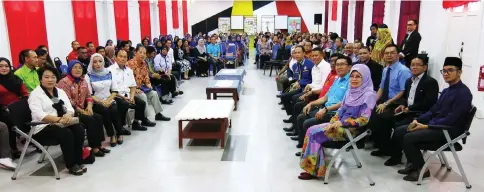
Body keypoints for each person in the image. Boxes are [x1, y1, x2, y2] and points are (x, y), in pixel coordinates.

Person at [388, 57, 472, 181]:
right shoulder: (447, 91)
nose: (446, 73)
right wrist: (418, 120)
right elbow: (434, 110)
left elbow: (452, 119)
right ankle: (413, 164)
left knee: (409, 137)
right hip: (436, 125)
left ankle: (422, 170)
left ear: (459, 72)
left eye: (450, 70)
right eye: (444, 71)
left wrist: (427, 126)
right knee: (401, 131)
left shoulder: (464, 93)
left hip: (447, 130)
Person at [298, 64, 376, 180]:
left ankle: (313, 170)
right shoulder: (350, 91)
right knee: (310, 129)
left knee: (314, 134)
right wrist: (333, 121)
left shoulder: (369, 95)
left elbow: (364, 120)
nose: (354, 79)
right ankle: (312, 167)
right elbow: (340, 110)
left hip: (351, 130)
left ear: (365, 78)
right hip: (338, 126)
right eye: (352, 76)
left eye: (358, 77)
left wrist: (343, 123)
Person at [28, 65, 86, 175]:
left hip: (61, 122)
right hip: (42, 127)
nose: (50, 80)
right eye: (46, 77)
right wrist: (59, 119)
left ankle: (78, 160)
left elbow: (69, 108)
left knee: (79, 129)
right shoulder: (35, 94)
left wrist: (68, 115)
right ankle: (71, 164)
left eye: (53, 77)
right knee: (66, 134)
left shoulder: (59, 91)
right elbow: (39, 115)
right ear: (41, 79)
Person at [382, 56, 439, 165]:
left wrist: (410, 108)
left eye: (418, 65)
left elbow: (429, 102)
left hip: (421, 114)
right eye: (412, 65)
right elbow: (407, 97)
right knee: (385, 119)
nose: (414, 67)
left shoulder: (430, 82)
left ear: (425, 67)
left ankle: (397, 156)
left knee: (399, 128)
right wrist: (403, 105)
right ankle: (386, 149)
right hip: (408, 111)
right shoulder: (409, 81)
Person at [295, 56, 353, 150]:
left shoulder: (351, 82)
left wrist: (325, 110)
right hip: (325, 109)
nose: (338, 67)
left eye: (342, 64)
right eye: (337, 65)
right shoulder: (337, 79)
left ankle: (313, 149)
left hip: (335, 114)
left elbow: (344, 103)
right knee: (301, 116)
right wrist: (311, 104)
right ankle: (305, 147)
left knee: (307, 123)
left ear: (349, 67)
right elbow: (326, 97)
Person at [58, 60, 110, 156]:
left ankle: (99, 145)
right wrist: (82, 111)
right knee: (90, 119)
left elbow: (88, 96)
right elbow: (68, 102)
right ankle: (94, 148)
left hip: (83, 109)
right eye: (75, 67)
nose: (78, 70)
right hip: (70, 112)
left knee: (98, 117)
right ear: (70, 69)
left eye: (80, 67)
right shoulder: (64, 82)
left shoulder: (83, 80)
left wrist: (89, 106)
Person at [368, 44, 412, 156]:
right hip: (386, 101)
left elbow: (403, 91)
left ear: (398, 55)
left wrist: (386, 103)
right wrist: (372, 102)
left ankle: (388, 148)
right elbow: (381, 88)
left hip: (398, 103)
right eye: (386, 53)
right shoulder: (386, 69)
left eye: (392, 53)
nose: (389, 55)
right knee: (368, 111)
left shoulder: (403, 70)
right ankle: (380, 144)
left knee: (382, 117)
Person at [85, 53, 125, 147]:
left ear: (103, 62)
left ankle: (119, 133)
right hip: (96, 101)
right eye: (95, 62)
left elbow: (114, 91)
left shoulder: (109, 73)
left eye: (100, 61)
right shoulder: (88, 76)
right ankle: (112, 135)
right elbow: (90, 94)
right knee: (105, 110)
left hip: (109, 98)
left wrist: (108, 101)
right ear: (91, 63)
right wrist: (101, 102)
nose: (98, 64)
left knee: (114, 109)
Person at [109, 49, 154, 130]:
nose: (123, 58)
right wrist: (124, 98)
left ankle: (136, 123)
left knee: (141, 103)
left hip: (128, 94)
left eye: (125, 57)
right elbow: (110, 89)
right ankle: (120, 127)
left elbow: (133, 86)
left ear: (127, 58)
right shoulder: (110, 70)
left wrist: (132, 97)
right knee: (123, 104)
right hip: (116, 96)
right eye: (120, 56)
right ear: (115, 57)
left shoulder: (128, 71)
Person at [127, 46, 171, 121]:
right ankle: (145, 118)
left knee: (153, 93)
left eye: (144, 53)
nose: (142, 55)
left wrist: (148, 84)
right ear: (135, 53)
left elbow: (146, 76)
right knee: (143, 96)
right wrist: (134, 89)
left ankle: (158, 114)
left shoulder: (144, 63)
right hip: (132, 89)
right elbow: (126, 80)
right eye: (140, 52)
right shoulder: (129, 64)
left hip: (141, 87)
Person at [0, 57, 27, 159]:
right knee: (9, 120)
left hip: (17, 106)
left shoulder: (16, 79)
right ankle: (13, 148)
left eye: (6, 66)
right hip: (2, 109)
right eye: (1, 66)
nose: (4, 68)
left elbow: (24, 94)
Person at [280, 46, 314, 120]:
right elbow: (295, 78)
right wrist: (293, 83)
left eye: (299, 52)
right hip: (298, 88)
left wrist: (300, 82)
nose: (297, 55)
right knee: (283, 96)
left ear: (304, 53)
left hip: (306, 89)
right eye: (295, 53)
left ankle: (294, 118)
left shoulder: (310, 64)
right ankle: (292, 115)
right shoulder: (295, 65)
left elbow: (313, 80)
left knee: (294, 98)